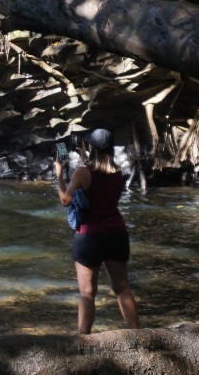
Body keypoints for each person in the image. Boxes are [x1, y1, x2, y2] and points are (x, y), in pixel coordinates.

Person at [55, 128, 139, 333]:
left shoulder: (83, 172)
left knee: (86, 292)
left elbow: (66, 200)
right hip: (117, 234)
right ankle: (138, 334)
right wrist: (86, 157)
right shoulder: (117, 171)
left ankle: (84, 340)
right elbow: (99, 175)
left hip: (90, 236)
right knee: (122, 288)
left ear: (91, 147)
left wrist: (59, 174)